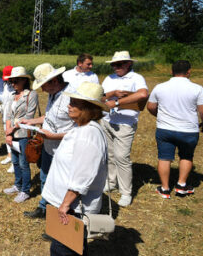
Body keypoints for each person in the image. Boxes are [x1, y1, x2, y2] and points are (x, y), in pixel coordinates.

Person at [43, 82, 109, 256]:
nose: (68, 106)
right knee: (73, 248)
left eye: (74, 103)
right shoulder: (82, 129)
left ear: (88, 108)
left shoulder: (89, 134)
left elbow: (83, 175)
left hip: (73, 209)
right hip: (68, 205)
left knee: (62, 250)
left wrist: (65, 204)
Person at [147, 60, 203, 198]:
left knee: (164, 157)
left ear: (171, 71)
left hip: (165, 128)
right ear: (189, 72)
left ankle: (164, 188)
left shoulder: (159, 87)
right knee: (186, 156)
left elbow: (150, 106)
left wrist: (159, 115)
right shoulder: (197, 88)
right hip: (188, 130)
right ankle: (181, 185)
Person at [21, 63, 75, 219]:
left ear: (54, 81)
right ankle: (43, 207)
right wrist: (32, 121)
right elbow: (50, 117)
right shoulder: (54, 94)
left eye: (43, 85)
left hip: (64, 150)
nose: (42, 90)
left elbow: (78, 131)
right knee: (45, 178)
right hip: (48, 147)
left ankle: (57, 216)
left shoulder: (72, 97)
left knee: (60, 185)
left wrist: (53, 136)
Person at [101, 51, 149, 207]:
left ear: (129, 63)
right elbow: (100, 97)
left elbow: (143, 94)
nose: (115, 67)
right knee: (109, 154)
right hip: (107, 120)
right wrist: (113, 94)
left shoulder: (137, 78)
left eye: (119, 64)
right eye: (113, 65)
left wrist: (116, 103)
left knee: (122, 157)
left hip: (125, 123)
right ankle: (111, 182)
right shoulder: (109, 78)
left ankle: (126, 192)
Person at [3, 67, 38, 203]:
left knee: (24, 163)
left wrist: (12, 129)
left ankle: (25, 190)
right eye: (11, 81)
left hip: (24, 134)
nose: (12, 84)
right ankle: (17, 185)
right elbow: (8, 116)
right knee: (15, 161)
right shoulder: (12, 96)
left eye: (15, 81)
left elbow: (29, 116)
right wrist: (8, 133)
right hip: (12, 133)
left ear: (24, 80)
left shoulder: (31, 95)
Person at [0, 66, 15, 172]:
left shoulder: (17, 87)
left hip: (14, 116)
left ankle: (15, 161)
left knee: (14, 137)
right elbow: (3, 97)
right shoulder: (4, 85)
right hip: (5, 114)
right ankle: (9, 156)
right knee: (7, 134)